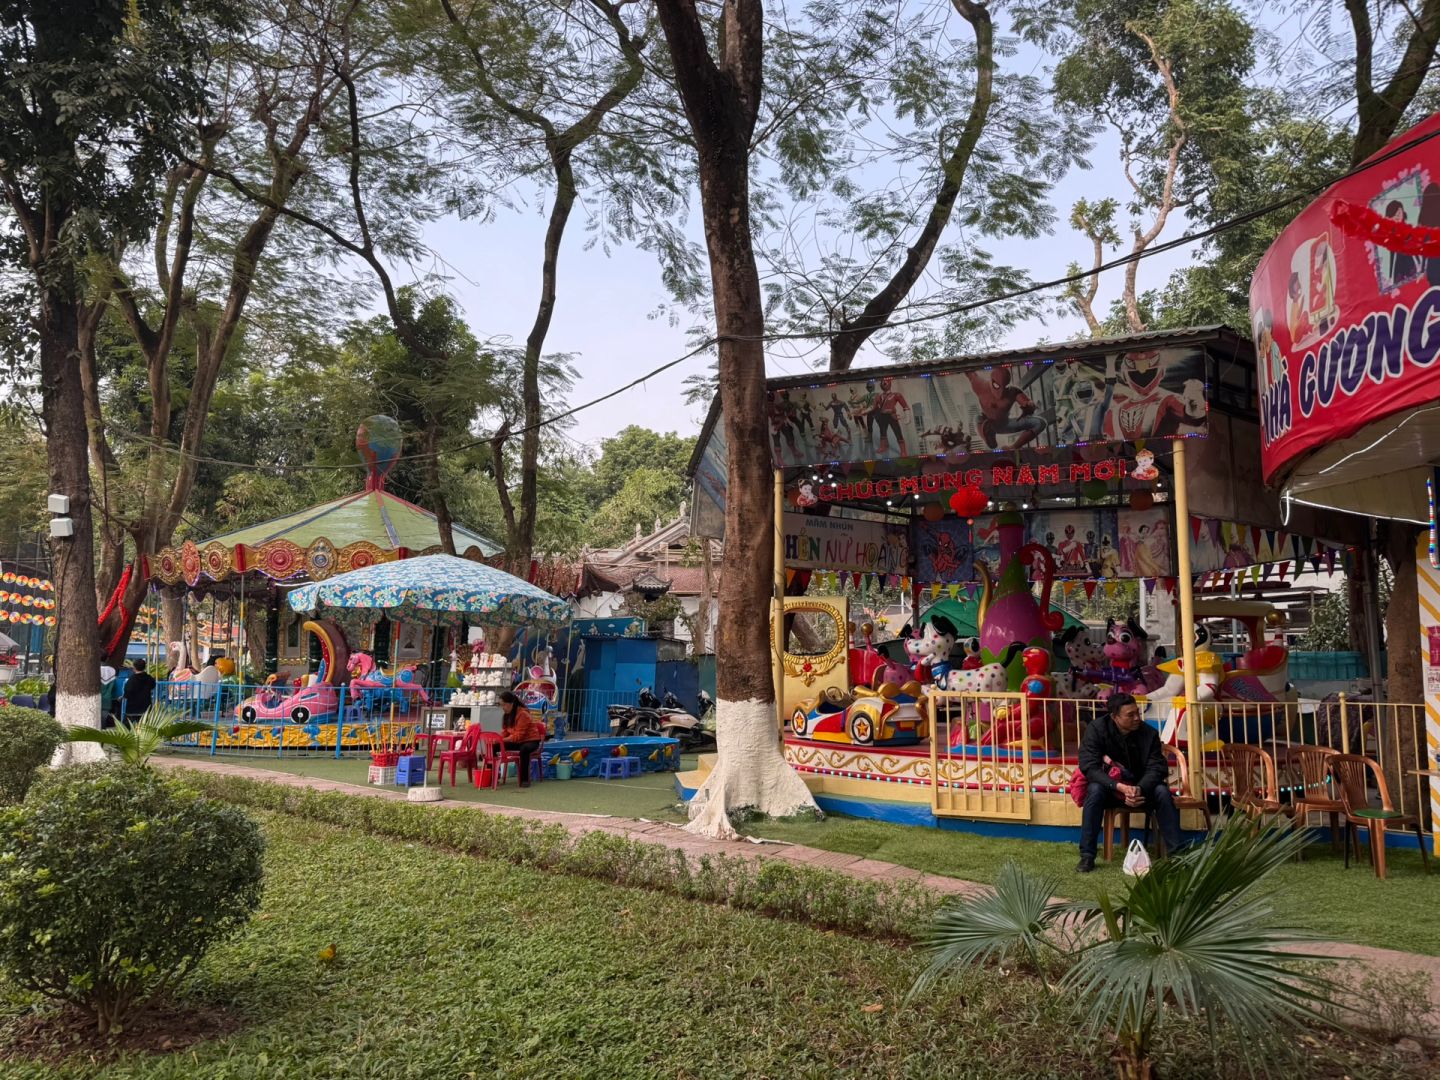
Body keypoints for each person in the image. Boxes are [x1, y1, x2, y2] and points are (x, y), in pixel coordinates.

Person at [1075, 693, 1182, 872]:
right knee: (1094, 790)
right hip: (1110, 788)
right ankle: (1087, 856)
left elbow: (1157, 768)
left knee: (1162, 792)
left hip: (1142, 790)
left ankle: (1177, 855)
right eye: (1130, 715)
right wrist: (1118, 786)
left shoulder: (1149, 733)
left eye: (1137, 713)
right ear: (1114, 717)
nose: (1137, 718)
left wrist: (1138, 789)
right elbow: (1089, 767)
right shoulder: (1096, 729)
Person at [498, 690, 546, 790]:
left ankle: (524, 780)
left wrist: (503, 740)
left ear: (511, 704)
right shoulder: (507, 715)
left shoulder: (523, 714)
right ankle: (493, 775)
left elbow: (518, 736)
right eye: (501, 705)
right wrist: (498, 739)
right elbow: (505, 732)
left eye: (504, 705)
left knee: (524, 750)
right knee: (494, 746)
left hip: (531, 741)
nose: (502, 707)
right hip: (517, 741)